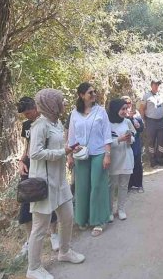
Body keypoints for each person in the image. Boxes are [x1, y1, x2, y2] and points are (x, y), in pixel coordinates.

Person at [26, 89, 85, 279]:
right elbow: (34, 153)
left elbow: (59, 146)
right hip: (43, 184)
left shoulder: (57, 122)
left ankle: (64, 251)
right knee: (40, 227)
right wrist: (63, 152)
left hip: (60, 181)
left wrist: (69, 151)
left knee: (68, 217)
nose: (64, 104)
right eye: (61, 101)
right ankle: (33, 268)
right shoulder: (39, 125)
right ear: (51, 103)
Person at [67, 83, 112, 237]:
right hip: (80, 154)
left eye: (94, 92)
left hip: (99, 152)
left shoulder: (101, 112)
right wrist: (69, 155)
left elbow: (107, 134)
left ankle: (99, 221)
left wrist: (107, 154)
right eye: (90, 92)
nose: (93, 94)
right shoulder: (74, 113)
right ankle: (83, 219)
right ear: (81, 95)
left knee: (97, 186)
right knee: (82, 187)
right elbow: (71, 136)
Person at [16, 97, 59, 259]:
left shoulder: (48, 122)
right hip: (29, 165)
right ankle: (29, 240)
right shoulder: (27, 125)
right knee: (26, 201)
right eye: (24, 114)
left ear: (36, 107)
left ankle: (54, 234)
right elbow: (27, 146)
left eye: (28, 112)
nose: (26, 116)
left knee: (48, 199)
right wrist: (21, 161)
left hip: (44, 164)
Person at [106, 99, 135, 221]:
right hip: (113, 159)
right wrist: (119, 139)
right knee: (112, 186)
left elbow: (133, 137)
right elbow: (105, 142)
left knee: (124, 185)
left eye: (126, 109)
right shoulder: (107, 123)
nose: (125, 111)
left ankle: (121, 209)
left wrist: (129, 139)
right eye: (122, 109)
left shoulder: (127, 122)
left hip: (126, 157)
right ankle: (110, 211)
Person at [140, 79, 163, 167]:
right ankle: (152, 160)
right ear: (151, 85)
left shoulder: (162, 96)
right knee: (151, 141)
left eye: (158, 85)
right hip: (151, 121)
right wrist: (143, 120)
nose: (157, 86)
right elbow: (142, 108)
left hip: (161, 121)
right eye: (155, 84)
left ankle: (159, 158)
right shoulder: (146, 96)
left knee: (162, 141)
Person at [123, 96, 145, 193]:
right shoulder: (120, 114)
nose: (128, 105)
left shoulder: (136, 114)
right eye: (125, 103)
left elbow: (141, 128)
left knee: (137, 163)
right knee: (127, 164)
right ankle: (128, 185)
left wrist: (137, 124)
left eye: (129, 102)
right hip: (125, 144)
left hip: (135, 143)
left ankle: (139, 185)